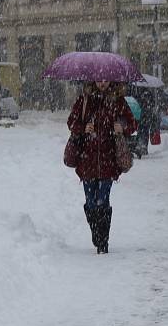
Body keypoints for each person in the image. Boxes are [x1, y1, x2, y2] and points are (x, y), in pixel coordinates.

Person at [67, 80, 137, 254]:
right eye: (99, 80)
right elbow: (71, 122)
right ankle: (96, 234)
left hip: (109, 160)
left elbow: (132, 124)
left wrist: (122, 127)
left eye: (106, 80)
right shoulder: (84, 100)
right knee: (91, 202)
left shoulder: (118, 101)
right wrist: (84, 128)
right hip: (87, 161)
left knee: (103, 200)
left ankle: (103, 241)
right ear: (93, 80)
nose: (103, 83)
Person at [134, 87, 157, 156]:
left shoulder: (139, 93)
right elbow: (153, 104)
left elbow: (137, 104)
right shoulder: (150, 93)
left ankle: (139, 145)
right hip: (148, 116)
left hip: (140, 115)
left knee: (140, 131)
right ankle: (144, 148)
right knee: (146, 131)